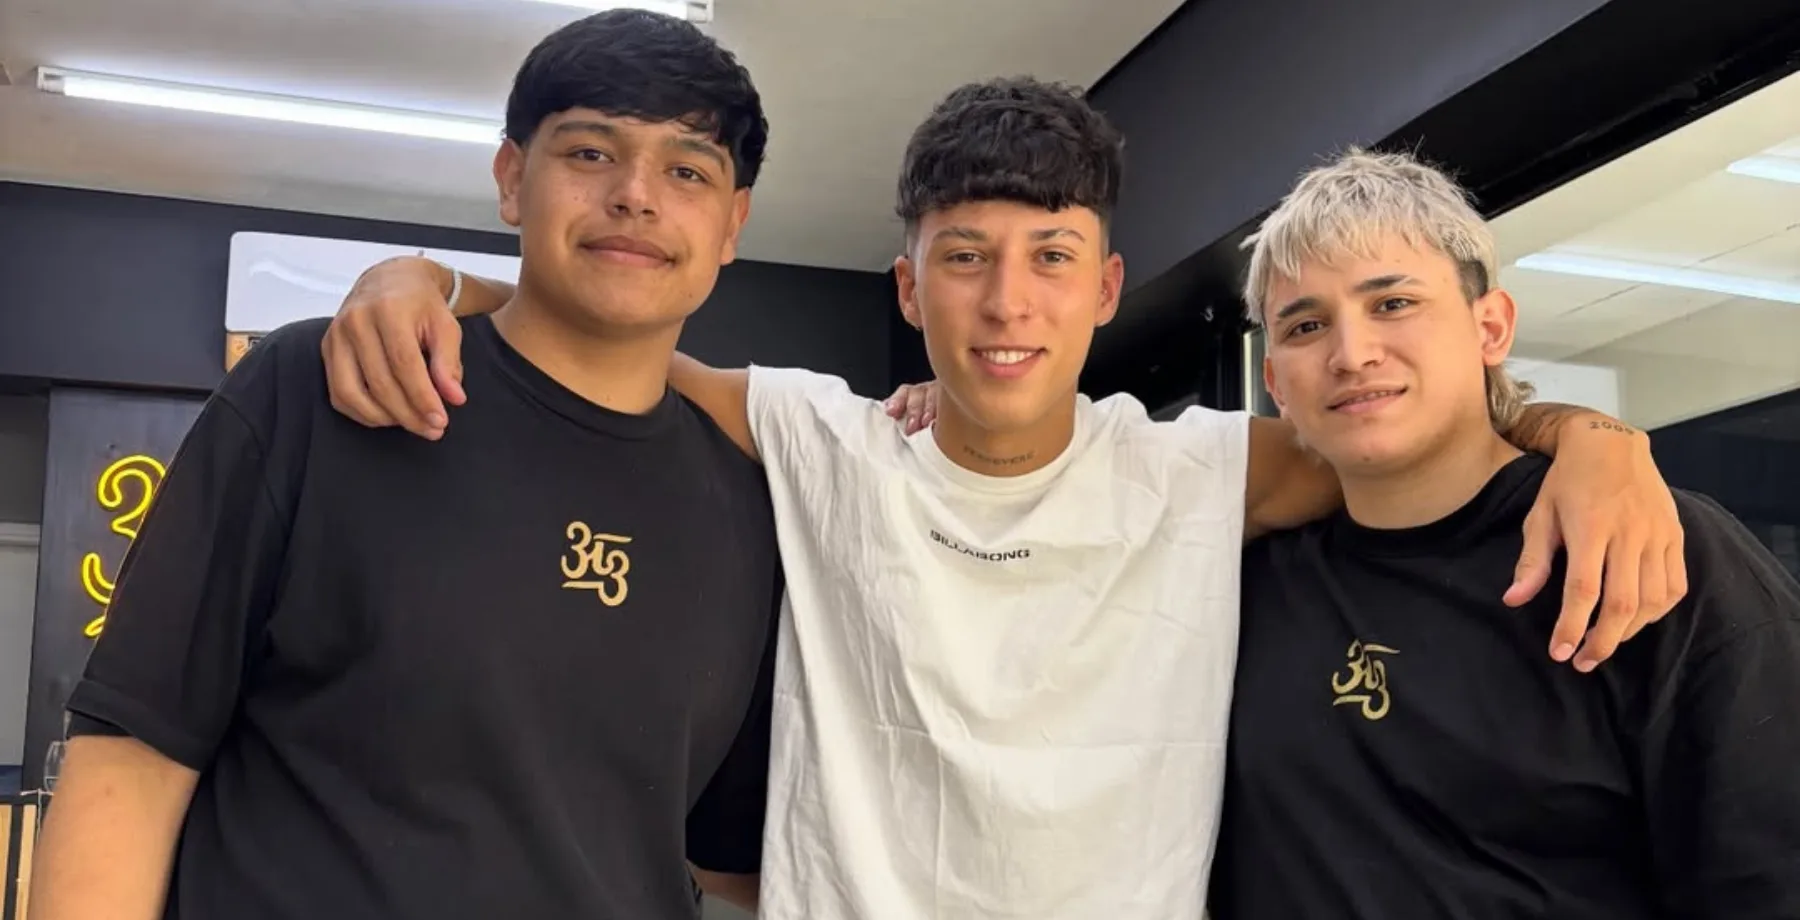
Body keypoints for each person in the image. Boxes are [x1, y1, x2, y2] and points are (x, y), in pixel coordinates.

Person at [319, 79, 1688, 918]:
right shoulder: (825, 438)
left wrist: (1588, 438)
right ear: (910, 288)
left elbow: (1406, 427)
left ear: (1106, 286)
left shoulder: (1204, 471)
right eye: (965, 257)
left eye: (1051, 257)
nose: (1007, 301)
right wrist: (424, 279)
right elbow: (611, 335)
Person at [29, 11, 777, 920]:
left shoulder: (750, 506)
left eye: (687, 171)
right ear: (512, 178)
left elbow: (733, 849)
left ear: (733, 223)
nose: (635, 196)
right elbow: (135, 753)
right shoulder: (317, 389)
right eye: (590, 153)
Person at [1208, 149, 1800, 918]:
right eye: (1307, 325)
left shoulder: (1646, 548)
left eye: (1393, 303)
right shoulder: (1243, 585)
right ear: (1276, 383)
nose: (1352, 355)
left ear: (1490, 327)